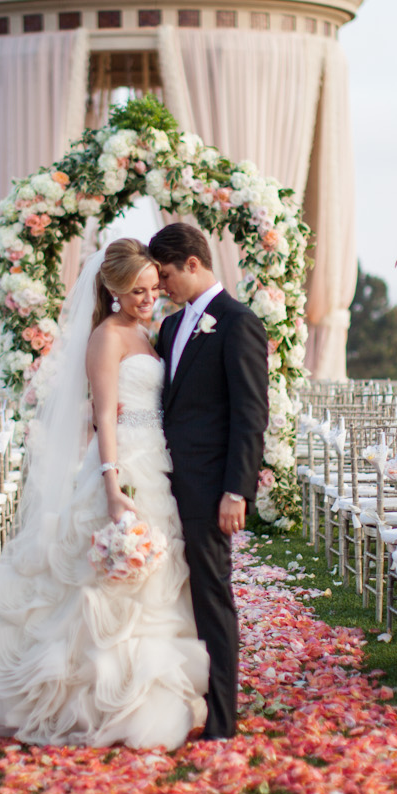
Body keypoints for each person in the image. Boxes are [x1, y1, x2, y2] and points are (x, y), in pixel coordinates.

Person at [0, 239, 208, 750]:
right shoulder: (107, 337)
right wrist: (113, 488)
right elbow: (102, 417)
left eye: (151, 289)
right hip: (121, 467)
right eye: (137, 292)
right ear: (114, 292)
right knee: (102, 587)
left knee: (156, 580)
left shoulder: (149, 333)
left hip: (157, 460)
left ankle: (156, 682)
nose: (149, 298)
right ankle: (98, 693)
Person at [149, 222, 269, 741]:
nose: (162, 287)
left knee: (211, 596)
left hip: (209, 488)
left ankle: (222, 718)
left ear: (193, 263)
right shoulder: (171, 328)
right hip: (163, 483)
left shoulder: (238, 323)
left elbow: (250, 414)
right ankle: (185, 702)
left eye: (167, 275)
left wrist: (236, 490)